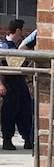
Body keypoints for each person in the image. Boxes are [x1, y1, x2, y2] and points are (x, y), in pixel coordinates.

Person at [0, 20, 33, 151]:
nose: (25, 32)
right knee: (9, 112)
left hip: (21, 83)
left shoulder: (20, 45)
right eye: (24, 29)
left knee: (25, 111)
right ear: (18, 30)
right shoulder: (3, 45)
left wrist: (29, 83)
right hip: (9, 83)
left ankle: (27, 139)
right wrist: (1, 84)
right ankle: (7, 139)